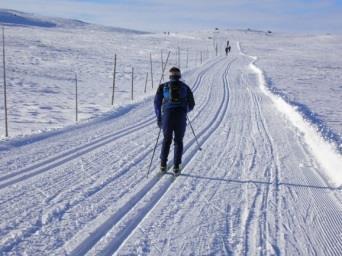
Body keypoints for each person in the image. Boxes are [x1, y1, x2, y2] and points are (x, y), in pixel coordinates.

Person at [154, 67, 195, 175]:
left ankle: (163, 165)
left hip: (167, 116)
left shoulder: (163, 86)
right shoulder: (185, 87)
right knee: (178, 141)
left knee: (166, 139)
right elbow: (192, 104)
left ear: (170, 75)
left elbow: (156, 103)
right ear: (179, 75)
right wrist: (184, 110)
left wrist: (159, 117)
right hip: (180, 116)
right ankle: (176, 167)